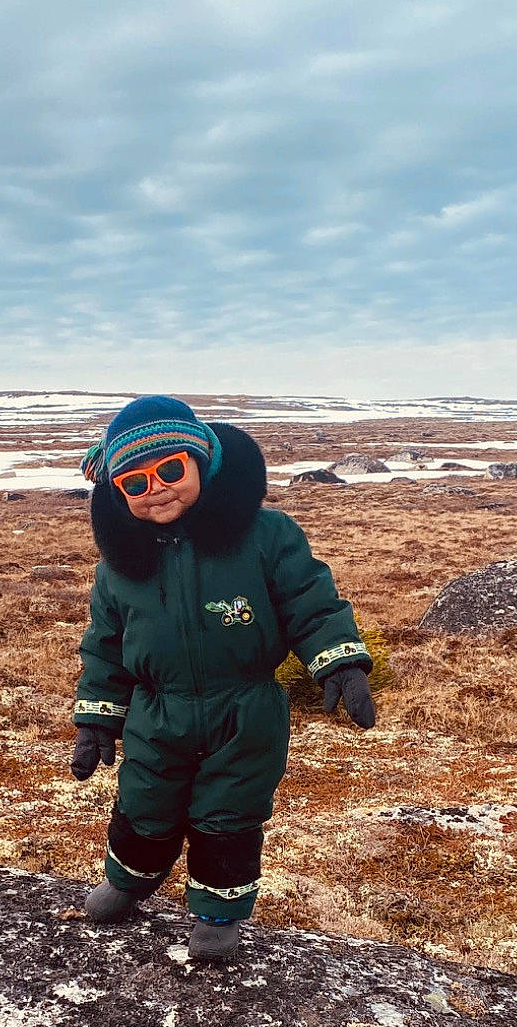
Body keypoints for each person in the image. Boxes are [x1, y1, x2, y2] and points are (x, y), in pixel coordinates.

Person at [69, 394, 376, 963]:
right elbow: (105, 648)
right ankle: (130, 881)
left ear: (202, 462)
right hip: (156, 712)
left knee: (229, 813)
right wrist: (96, 720)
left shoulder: (268, 535)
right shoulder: (118, 569)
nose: (155, 487)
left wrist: (341, 660)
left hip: (247, 711)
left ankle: (217, 913)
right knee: (143, 799)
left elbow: (309, 602)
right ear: (117, 494)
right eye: (134, 483)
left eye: (168, 470)